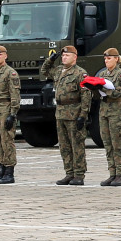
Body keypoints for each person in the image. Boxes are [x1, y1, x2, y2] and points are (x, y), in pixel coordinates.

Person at [39, 46, 90, 185]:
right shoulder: (59, 71)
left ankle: (79, 174)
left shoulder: (81, 73)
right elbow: (44, 71)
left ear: (75, 57)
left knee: (76, 144)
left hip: (74, 111)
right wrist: (50, 60)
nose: (64, 57)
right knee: (64, 145)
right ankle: (69, 173)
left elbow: (86, 95)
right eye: (63, 55)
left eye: (67, 55)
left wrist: (83, 115)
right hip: (60, 112)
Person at [95, 48, 121, 186]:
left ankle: (120, 174)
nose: (106, 61)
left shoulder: (120, 74)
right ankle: (112, 173)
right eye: (105, 59)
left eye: (109, 58)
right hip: (104, 112)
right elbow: (99, 94)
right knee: (107, 144)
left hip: (117, 113)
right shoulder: (103, 74)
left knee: (117, 144)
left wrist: (102, 88)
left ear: (116, 59)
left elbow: (117, 93)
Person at [0, 45, 20, 184]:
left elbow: (15, 95)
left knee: (7, 141)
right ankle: (0, 170)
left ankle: (9, 172)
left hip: (5, 107)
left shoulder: (10, 73)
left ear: (5, 56)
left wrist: (12, 114)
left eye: (0, 55)